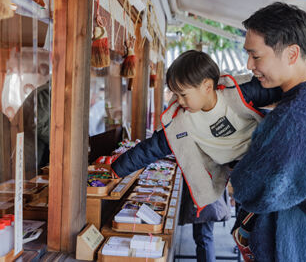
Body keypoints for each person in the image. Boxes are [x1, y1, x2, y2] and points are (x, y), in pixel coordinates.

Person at [112, 50, 282, 262]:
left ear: (207, 86)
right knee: (249, 232)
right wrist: (115, 169)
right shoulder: (181, 123)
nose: (179, 100)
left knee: (272, 230)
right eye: (175, 94)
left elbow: (281, 88)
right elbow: (150, 148)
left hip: (270, 159)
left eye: (183, 94)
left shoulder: (237, 92)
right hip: (241, 176)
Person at [230, 2, 306, 261]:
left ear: (291, 53)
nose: (248, 64)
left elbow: (249, 189)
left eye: (256, 56)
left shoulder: (296, 118)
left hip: (296, 248)